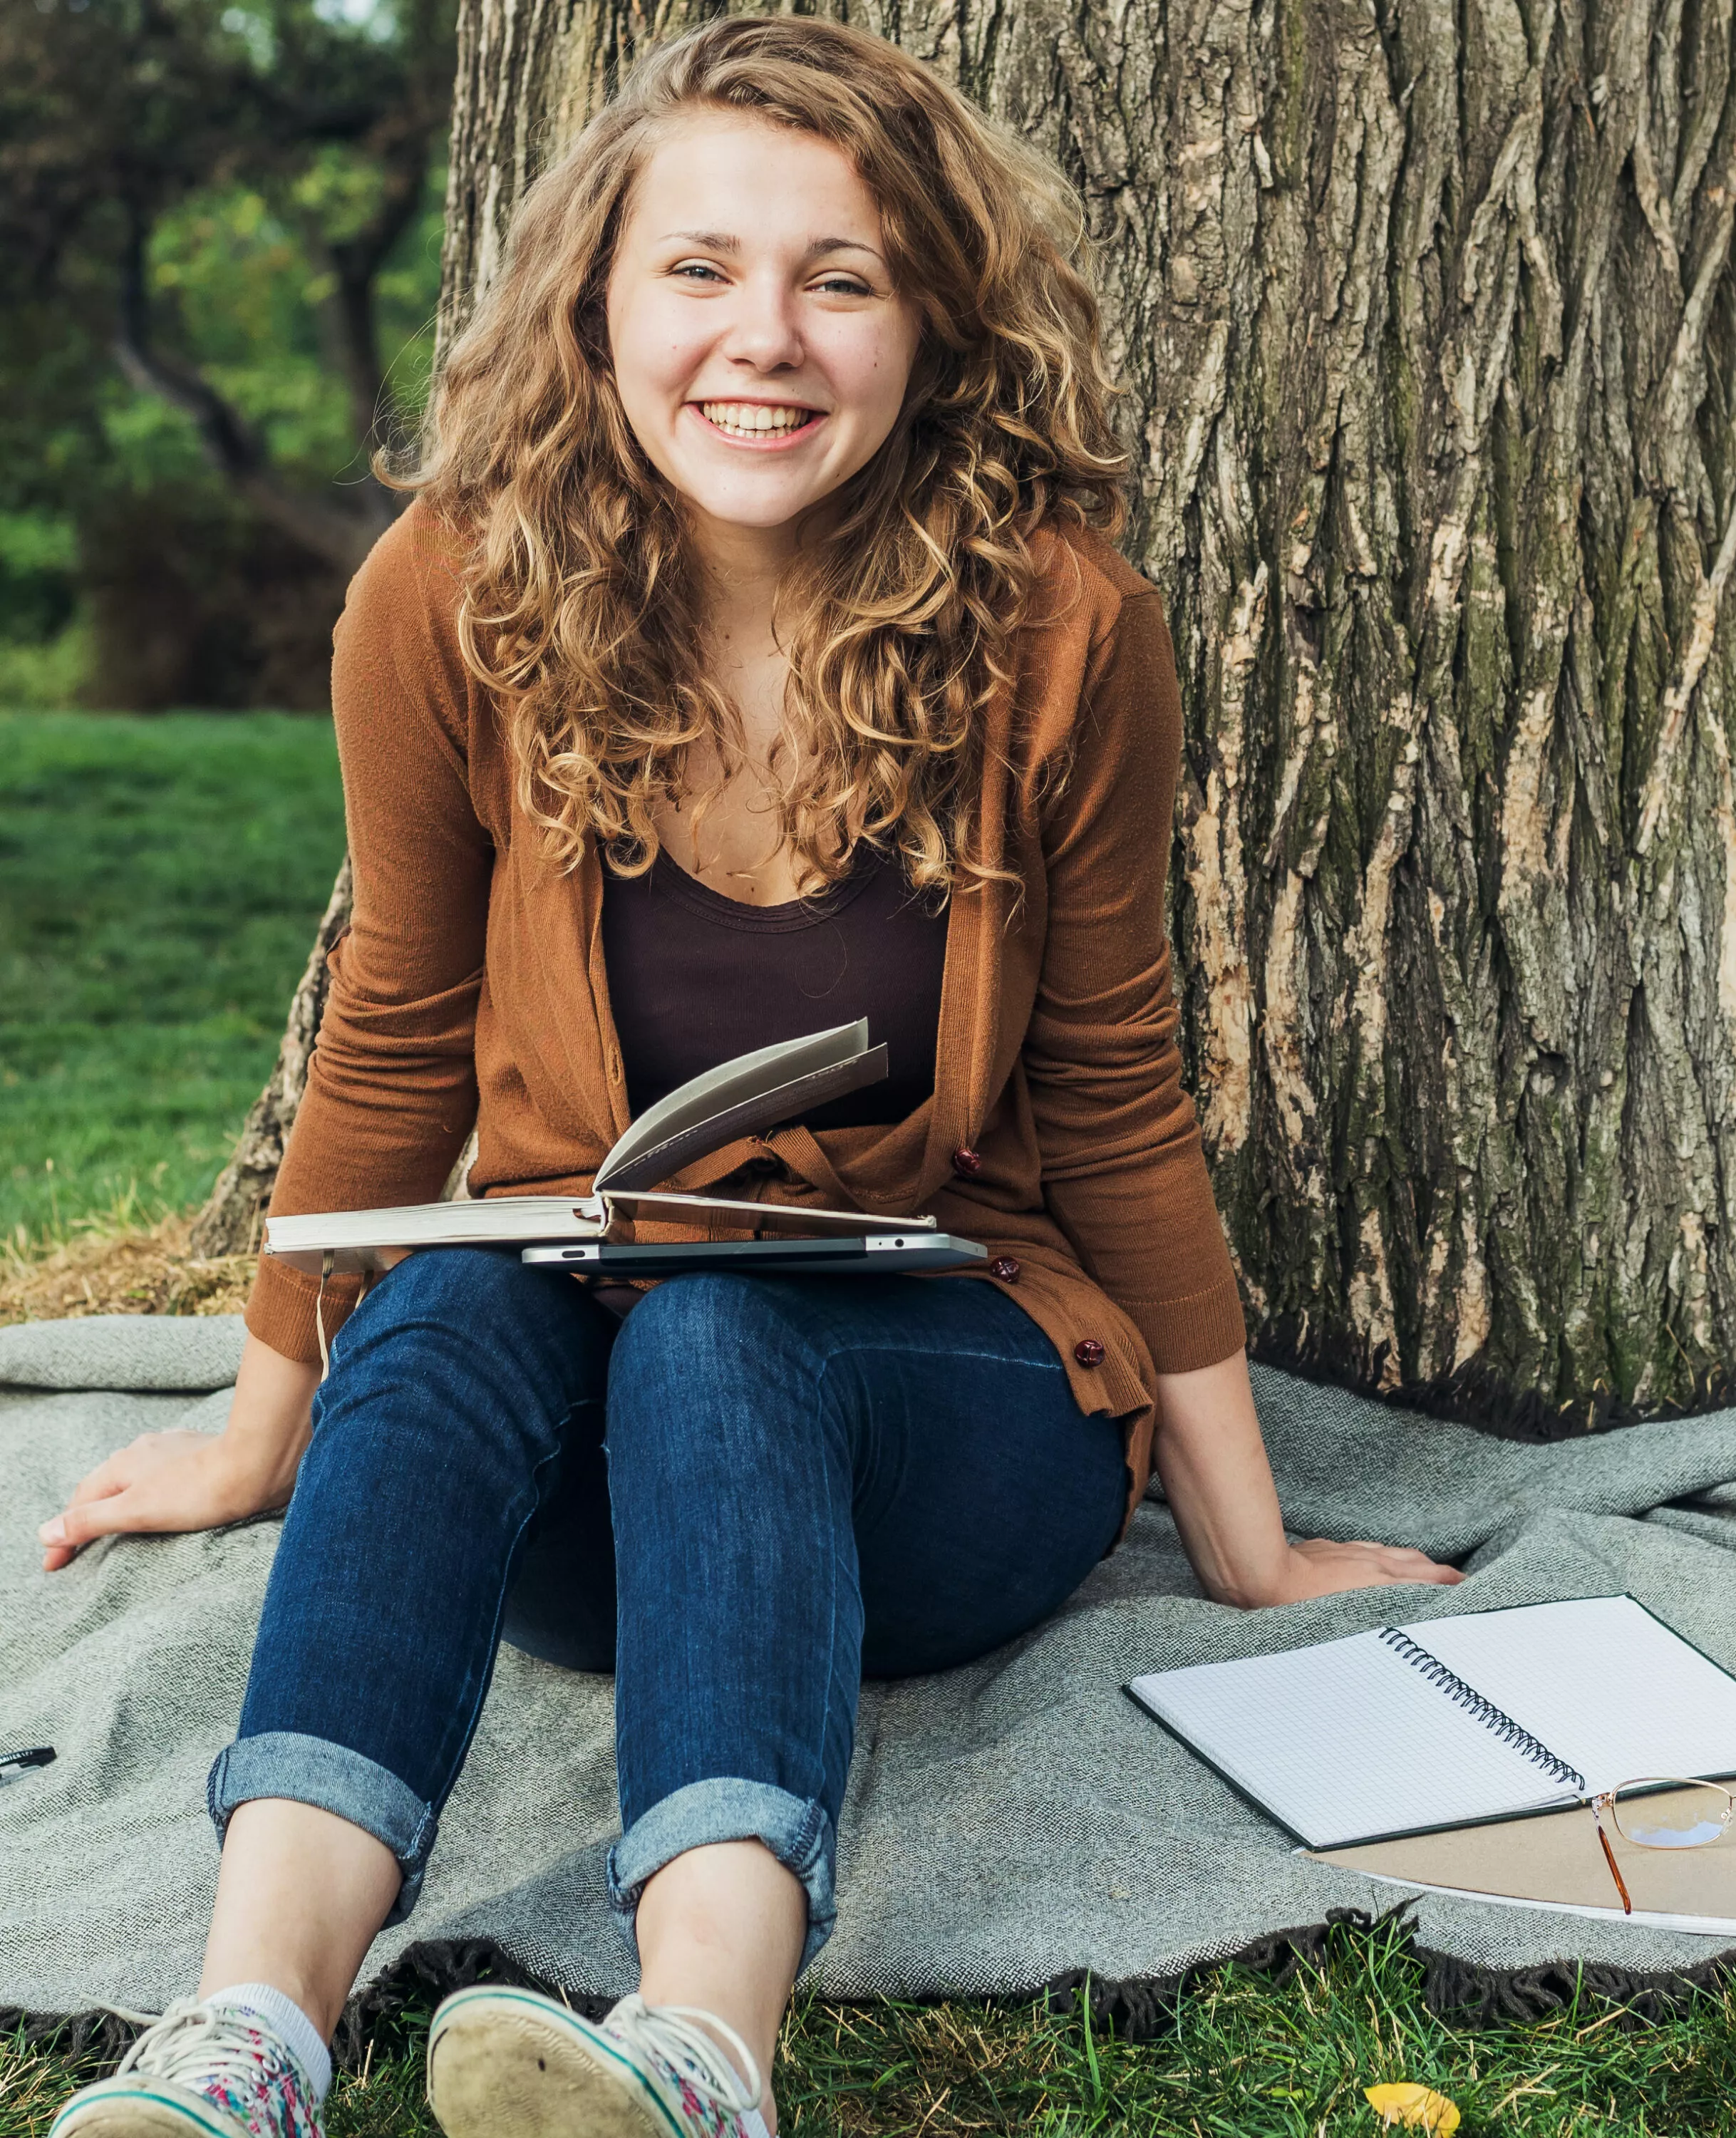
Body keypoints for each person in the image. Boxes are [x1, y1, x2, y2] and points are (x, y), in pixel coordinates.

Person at [39, 19, 1460, 2138]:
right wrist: (263, 1422)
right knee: (445, 1307)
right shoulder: (446, 596)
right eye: (699, 270)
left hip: (942, 1420)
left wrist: (1246, 1543)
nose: (762, 340)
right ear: (596, 302)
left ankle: (701, 2052)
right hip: (576, 1477)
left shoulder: (1064, 632)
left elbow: (1117, 1089)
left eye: (843, 277)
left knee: (721, 1325)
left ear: (932, 327)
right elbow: (401, 1028)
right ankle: (246, 2036)